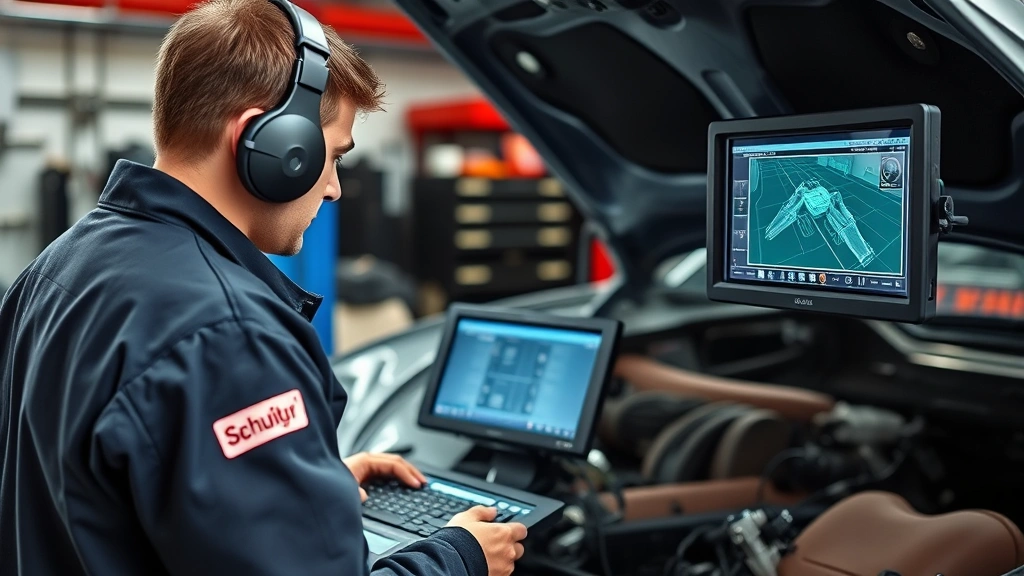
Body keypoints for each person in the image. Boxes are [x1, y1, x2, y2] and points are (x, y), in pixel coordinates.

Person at [0, 1, 527, 575]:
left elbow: (95, 489)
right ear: (270, 144)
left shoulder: (59, 267)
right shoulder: (229, 336)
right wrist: (458, 557)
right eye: (332, 158)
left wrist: (300, 486)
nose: (333, 190)